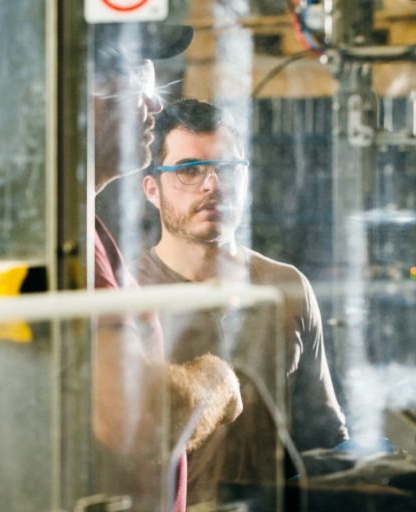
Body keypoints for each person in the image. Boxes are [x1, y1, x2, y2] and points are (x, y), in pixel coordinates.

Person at [0, 25, 242, 512]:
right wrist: (216, 382)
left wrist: (8, 459)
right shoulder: (46, 231)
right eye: (141, 80)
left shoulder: (21, 214)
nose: (157, 106)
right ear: (84, 95)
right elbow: (136, 420)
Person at [133, 98, 349, 505]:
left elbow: (323, 435)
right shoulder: (129, 297)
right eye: (189, 170)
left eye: (227, 169)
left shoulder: (285, 288)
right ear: (151, 188)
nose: (212, 185)